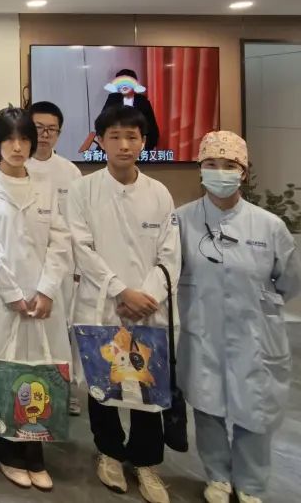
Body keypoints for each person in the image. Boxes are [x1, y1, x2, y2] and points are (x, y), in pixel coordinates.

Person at [176, 131, 300, 503]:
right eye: (211, 164)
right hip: (203, 331)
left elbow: (289, 280)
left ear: (243, 172)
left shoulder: (269, 226)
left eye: (229, 165)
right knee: (207, 405)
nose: (220, 172)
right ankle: (217, 477)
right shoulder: (181, 220)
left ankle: (250, 484)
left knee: (255, 408)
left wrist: (260, 303)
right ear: (201, 169)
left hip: (255, 333)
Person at [69, 105, 179, 503]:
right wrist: (119, 290)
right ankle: (110, 453)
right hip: (103, 303)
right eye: (114, 136)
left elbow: (170, 253)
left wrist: (146, 296)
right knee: (104, 383)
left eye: (132, 137)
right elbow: (81, 247)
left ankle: (146, 463)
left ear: (144, 142)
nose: (124, 145)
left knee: (148, 385)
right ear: (100, 141)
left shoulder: (159, 193)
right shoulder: (84, 190)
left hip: (148, 306)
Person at [0, 107, 70, 492]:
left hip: (42, 299)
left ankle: (35, 450)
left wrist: (46, 289)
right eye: (9, 139)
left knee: (39, 371)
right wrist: (12, 292)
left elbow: (60, 240)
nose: (17, 147)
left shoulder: (44, 185)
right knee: (3, 370)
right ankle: (7, 449)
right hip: (0, 297)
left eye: (24, 139)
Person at [25, 100, 83, 414]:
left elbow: (77, 223)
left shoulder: (70, 172)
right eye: (38, 128)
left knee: (63, 329)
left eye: (52, 130)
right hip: (26, 264)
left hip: (63, 265)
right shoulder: (18, 166)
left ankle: (65, 388)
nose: (45, 135)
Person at [100, 70, 160, 152]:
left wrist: (148, 145)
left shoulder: (143, 101)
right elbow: (103, 120)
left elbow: (151, 125)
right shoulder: (112, 99)